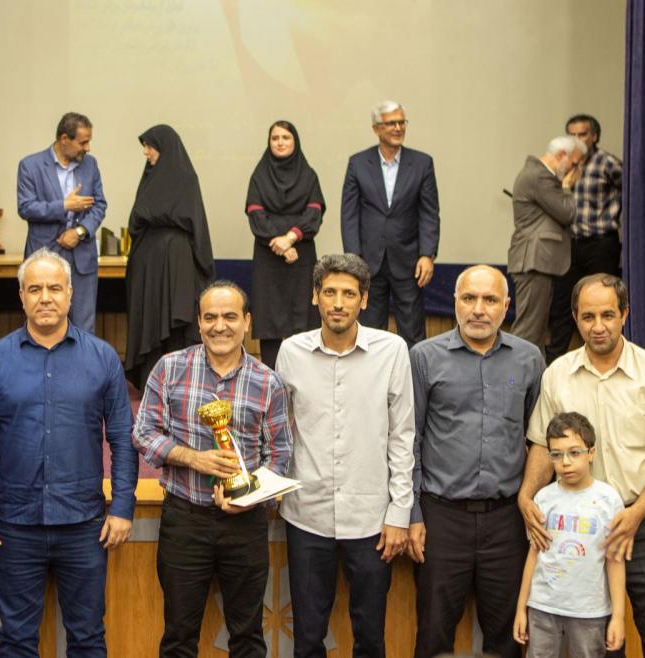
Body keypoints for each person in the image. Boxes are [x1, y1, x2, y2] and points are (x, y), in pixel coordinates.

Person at [0, 248, 137, 657]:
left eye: (54, 288)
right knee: (17, 640)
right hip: (13, 525)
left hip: (85, 525)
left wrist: (123, 507)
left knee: (88, 638)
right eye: (35, 289)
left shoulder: (103, 359)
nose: (45, 298)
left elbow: (122, 438)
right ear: (21, 296)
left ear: (70, 294)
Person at [520, 274, 645, 658]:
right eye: (588, 317)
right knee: (599, 642)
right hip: (580, 527)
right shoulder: (557, 375)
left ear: (624, 315)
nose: (598, 326)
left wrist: (635, 514)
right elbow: (541, 444)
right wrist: (526, 496)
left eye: (607, 315)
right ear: (575, 318)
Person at [133, 281, 292, 658]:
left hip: (245, 525)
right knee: (178, 637)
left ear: (247, 322)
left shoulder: (268, 382)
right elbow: (143, 432)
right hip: (184, 520)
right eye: (210, 317)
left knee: (248, 637)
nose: (220, 326)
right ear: (198, 322)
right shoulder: (170, 368)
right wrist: (193, 458)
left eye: (230, 317)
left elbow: (279, 455)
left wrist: (249, 499)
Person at [276, 253, 413, 658]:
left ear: (364, 300)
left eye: (349, 294)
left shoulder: (392, 350)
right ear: (314, 296)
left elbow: (403, 436)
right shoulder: (291, 352)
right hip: (306, 514)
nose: (338, 303)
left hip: (371, 519)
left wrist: (399, 513)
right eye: (330, 292)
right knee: (307, 638)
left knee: (370, 638)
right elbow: (278, 431)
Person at [408, 265, 544, 658]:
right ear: (455, 302)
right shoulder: (424, 357)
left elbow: (539, 440)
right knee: (433, 635)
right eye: (469, 298)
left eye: (489, 300)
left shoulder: (529, 359)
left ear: (507, 305)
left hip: (507, 520)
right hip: (441, 518)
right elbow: (409, 441)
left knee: (507, 639)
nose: (479, 309)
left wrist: (532, 502)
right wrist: (413, 514)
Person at [513, 412, 626, 658]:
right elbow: (533, 555)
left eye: (574, 453)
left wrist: (618, 616)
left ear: (591, 453)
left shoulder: (609, 500)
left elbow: (615, 560)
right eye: (556, 454)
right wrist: (522, 608)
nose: (565, 462)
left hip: (590, 612)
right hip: (543, 607)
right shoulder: (543, 498)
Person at [341, 100, 440, 347]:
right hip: (368, 262)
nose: (398, 128)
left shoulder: (422, 163)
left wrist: (427, 254)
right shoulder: (358, 163)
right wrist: (353, 258)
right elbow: (349, 214)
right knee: (369, 332)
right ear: (376, 128)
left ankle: (413, 374)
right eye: (391, 123)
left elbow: (429, 212)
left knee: (413, 331)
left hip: (409, 262)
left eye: (402, 122)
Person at [124, 125, 215, 389]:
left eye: (149, 146)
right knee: (151, 320)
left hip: (177, 260)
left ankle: (177, 385)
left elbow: (194, 222)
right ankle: (151, 382)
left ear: (164, 148)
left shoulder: (185, 179)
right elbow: (136, 219)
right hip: (148, 263)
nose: (146, 152)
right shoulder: (149, 178)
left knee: (175, 323)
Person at [16, 112, 109, 332]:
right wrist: (64, 205)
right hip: (44, 255)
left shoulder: (90, 165)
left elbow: (99, 205)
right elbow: (26, 207)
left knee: (84, 328)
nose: (87, 148)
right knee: (43, 325)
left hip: (82, 258)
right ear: (64, 139)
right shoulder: (30, 165)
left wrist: (79, 231)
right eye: (83, 142)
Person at [545, 115, 623, 363]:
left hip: (601, 243)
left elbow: (632, 191)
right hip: (570, 244)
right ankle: (553, 366)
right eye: (572, 134)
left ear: (594, 136)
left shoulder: (608, 163)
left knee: (604, 300)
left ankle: (610, 361)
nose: (576, 139)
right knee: (561, 306)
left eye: (582, 134)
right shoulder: (563, 164)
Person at [246, 120, 325, 368]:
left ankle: (303, 379)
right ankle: (270, 380)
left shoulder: (309, 176)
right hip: (268, 260)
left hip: (301, 258)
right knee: (270, 324)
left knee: (303, 322)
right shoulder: (259, 176)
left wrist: (290, 238)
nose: (280, 142)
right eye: (275, 138)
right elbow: (255, 214)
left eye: (286, 137)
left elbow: (314, 213)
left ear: (295, 141)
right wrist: (279, 243)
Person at [507, 136, 585, 352]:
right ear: (561, 155)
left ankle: (533, 374)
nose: (576, 171)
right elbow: (567, 213)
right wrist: (567, 187)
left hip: (537, 261)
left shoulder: (538, 174)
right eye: (575, 164)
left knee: (537, 331)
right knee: (529, 331)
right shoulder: (539, 176)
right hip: (534, 260)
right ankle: (515, 374)